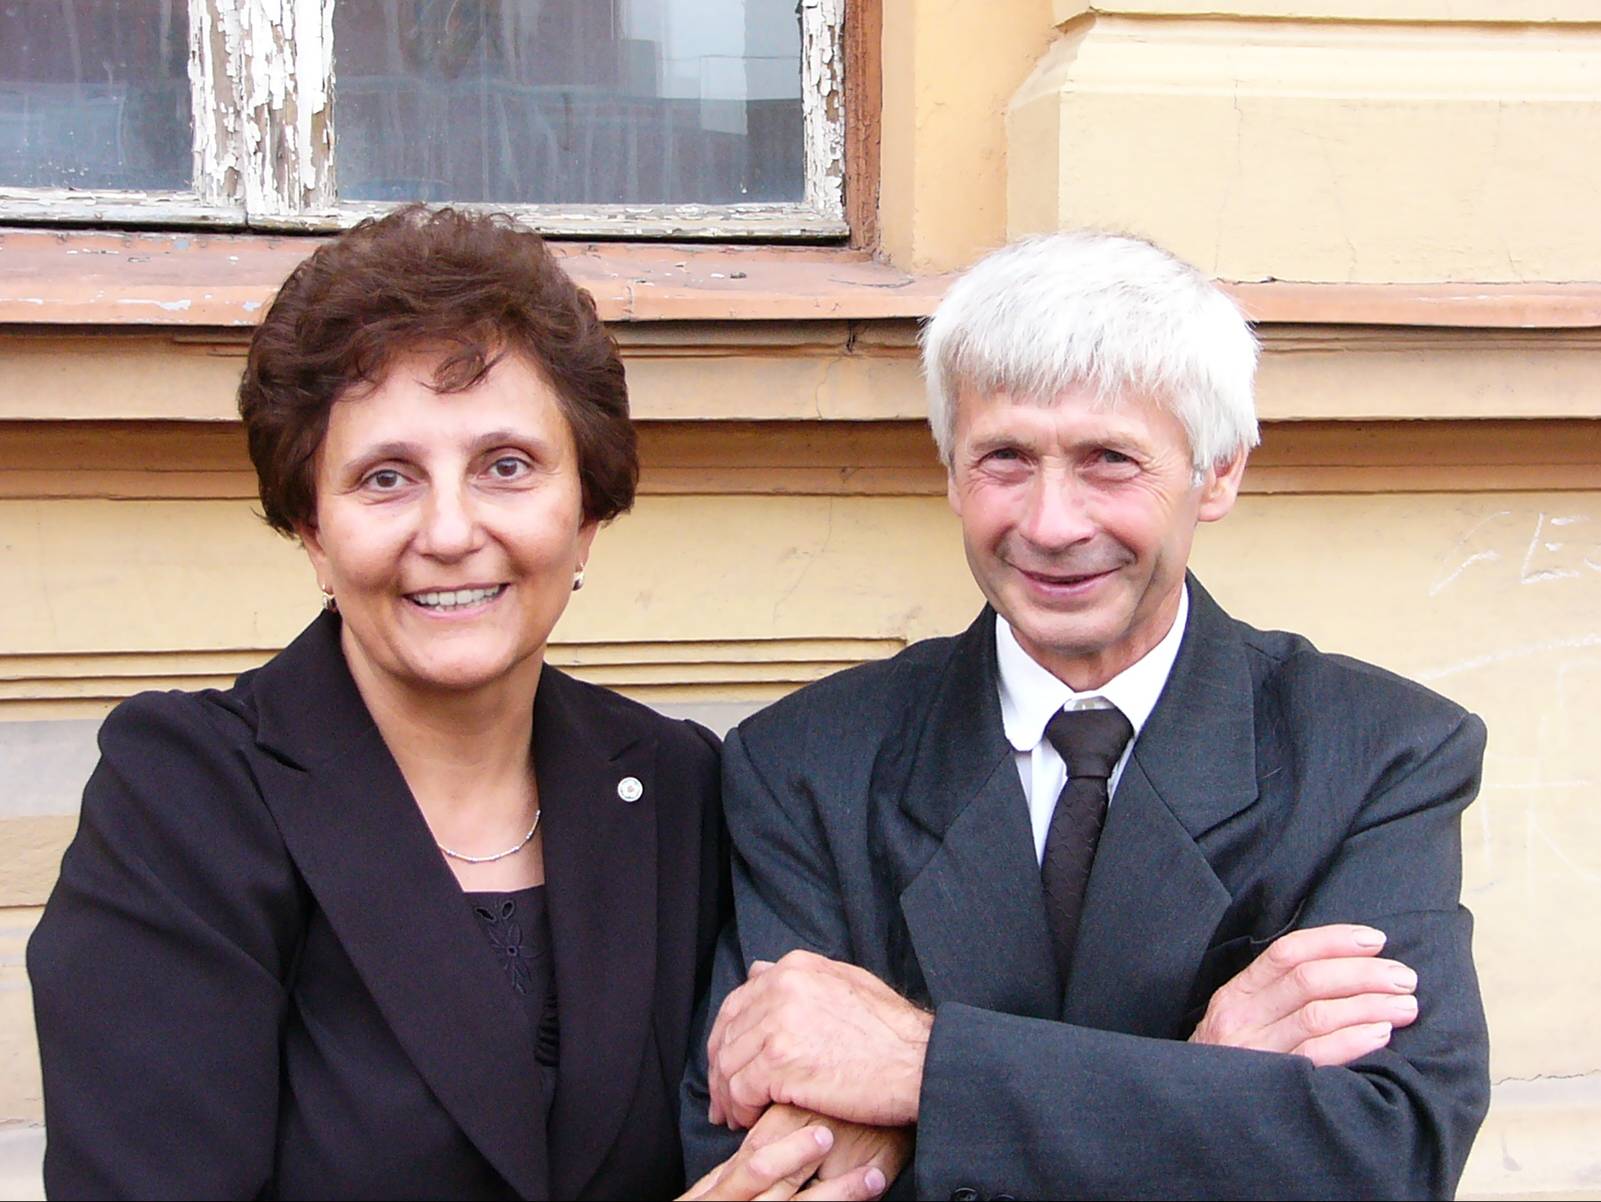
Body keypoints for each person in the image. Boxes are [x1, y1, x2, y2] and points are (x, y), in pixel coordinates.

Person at [27, 206, 893, 1201]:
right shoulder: (186, 798)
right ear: (313, 531)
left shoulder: (676, 786)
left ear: (586, 515)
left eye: (505, 467)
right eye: (386, 477)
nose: (448, 531)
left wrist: (864, 1125)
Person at [683, 232, 1491, 1198]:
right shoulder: (805, 764)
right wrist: (1203, 1079)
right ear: (950, 471)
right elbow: (757, 1166)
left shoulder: (1375, 755)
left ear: (1217, 472)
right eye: (1004, 458)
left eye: (1108, 459)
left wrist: (918, 1073)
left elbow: (1385, 1157)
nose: (1050, 524)